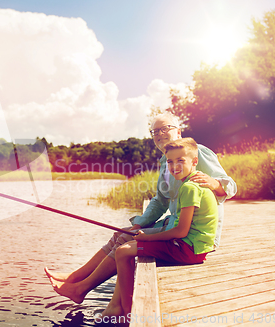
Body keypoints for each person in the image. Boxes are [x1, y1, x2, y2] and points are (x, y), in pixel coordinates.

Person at [45, 112, 236, 304]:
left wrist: (213, 183)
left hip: (193, 234)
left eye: (165, 128)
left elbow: (231, 187)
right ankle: (75, 278)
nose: (159, 134)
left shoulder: (196, 151)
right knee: (121, 235)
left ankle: (81, 289)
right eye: (155, 131)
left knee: (126, 240)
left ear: (178, 131)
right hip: (176, 225)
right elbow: (161, 201)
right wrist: (139, 223)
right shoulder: (165, 162)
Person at [109, 137, 219, 317]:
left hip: (188, 249)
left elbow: (181, 231)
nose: (174, 166)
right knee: (125, 249)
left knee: (122, 252)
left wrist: (146, 237)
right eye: (170, 161)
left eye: (180, 161)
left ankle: (127, 312)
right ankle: (122, 307)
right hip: (194, 247)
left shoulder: (189, 188)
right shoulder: (192, 184)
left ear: (195, 162)